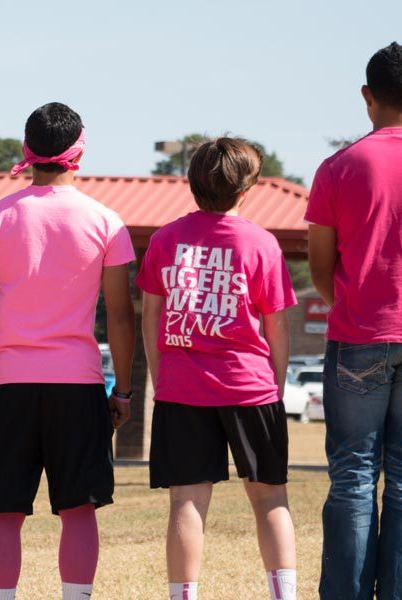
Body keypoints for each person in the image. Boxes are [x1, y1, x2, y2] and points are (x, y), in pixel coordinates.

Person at [0, 102, 135, 600]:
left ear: (27, 150)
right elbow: (121, 316)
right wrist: (122, 390)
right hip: (79, 386)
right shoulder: (107, 221)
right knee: (79, 510)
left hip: (11, 384)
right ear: (79, 151)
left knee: (4, 512)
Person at [136, 138, 298, 600]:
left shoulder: (166, 238)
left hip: (181, 387)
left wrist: (162, 373)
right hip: (251, 386)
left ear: (192, 184)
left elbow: (152, 314)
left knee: (186, 499)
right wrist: (276, 385)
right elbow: (277, 327)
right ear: (246, 189)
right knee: (270, 498)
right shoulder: (261, 243)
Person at [306, 42, 402, 600]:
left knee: (352, 481)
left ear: (368, 97)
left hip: (359, 336)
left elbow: (321, 268)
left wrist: (353, 297)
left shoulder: (338, 167)